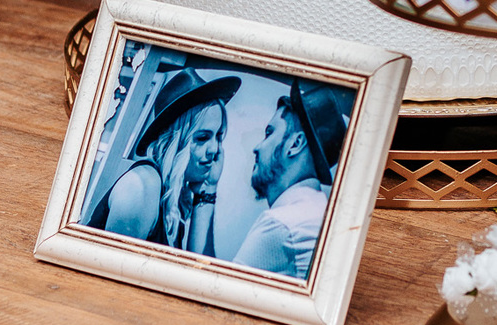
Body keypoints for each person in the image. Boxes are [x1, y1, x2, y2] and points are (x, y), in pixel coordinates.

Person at [84, 67, 240, 254]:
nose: (215, 149)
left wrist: (208, 188)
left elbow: (197, 269)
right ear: (175, 141)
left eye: (218, 137)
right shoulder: (142, 186)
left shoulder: (174, 198)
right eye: (202, 138)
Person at [233, 80, 353, 278]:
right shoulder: (320, 212)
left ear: (295, 144)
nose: (257, 148)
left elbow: (219, 290)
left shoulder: (280, 225)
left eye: (269, 133)